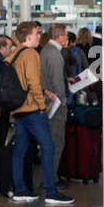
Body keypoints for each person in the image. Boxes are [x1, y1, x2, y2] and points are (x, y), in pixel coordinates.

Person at [7, 21, 73, 205]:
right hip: (32, 109)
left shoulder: (14, 54)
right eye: (36, 34)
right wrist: (42, 105)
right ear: (28, 36)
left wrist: (43, 91)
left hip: (18, 108)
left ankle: (19, 189)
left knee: (20, 149)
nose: (39, 37)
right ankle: (51, 191)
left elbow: (22, 82)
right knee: (48, 146)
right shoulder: (31, 54)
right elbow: (33, 83)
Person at [40, 23, 70, 177]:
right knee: (56, 143)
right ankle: (50, 180)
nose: (67, 38)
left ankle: (47, 178)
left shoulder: (46, 50)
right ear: (59, 37)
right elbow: (57, 84)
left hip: (47, 103)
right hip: (55, 106)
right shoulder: (54, 54)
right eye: (66, 35)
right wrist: (63, 102)